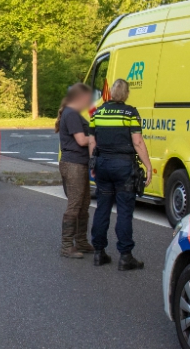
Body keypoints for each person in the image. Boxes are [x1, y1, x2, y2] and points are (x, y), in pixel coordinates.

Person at [87, 79, 152, 271]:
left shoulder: (97, 112)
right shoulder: (130, 112)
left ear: (111, 94)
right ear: (126, 94)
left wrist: (93, 163)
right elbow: (138, 142)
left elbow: (92, 141)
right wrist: (148, 166)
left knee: (102, 208)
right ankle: (125, 256)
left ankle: (99, 252)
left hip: (102, 165)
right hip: (123, 166)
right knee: (124, 210)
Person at [55, 82, 94, 259]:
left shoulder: (72, 113)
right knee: (75, 205)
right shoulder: (71, 115)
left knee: (84, 203)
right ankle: (66, 245)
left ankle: (81, 241)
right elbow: (81, 140)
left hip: (79, 163)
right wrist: (95, 138)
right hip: (74, 164)